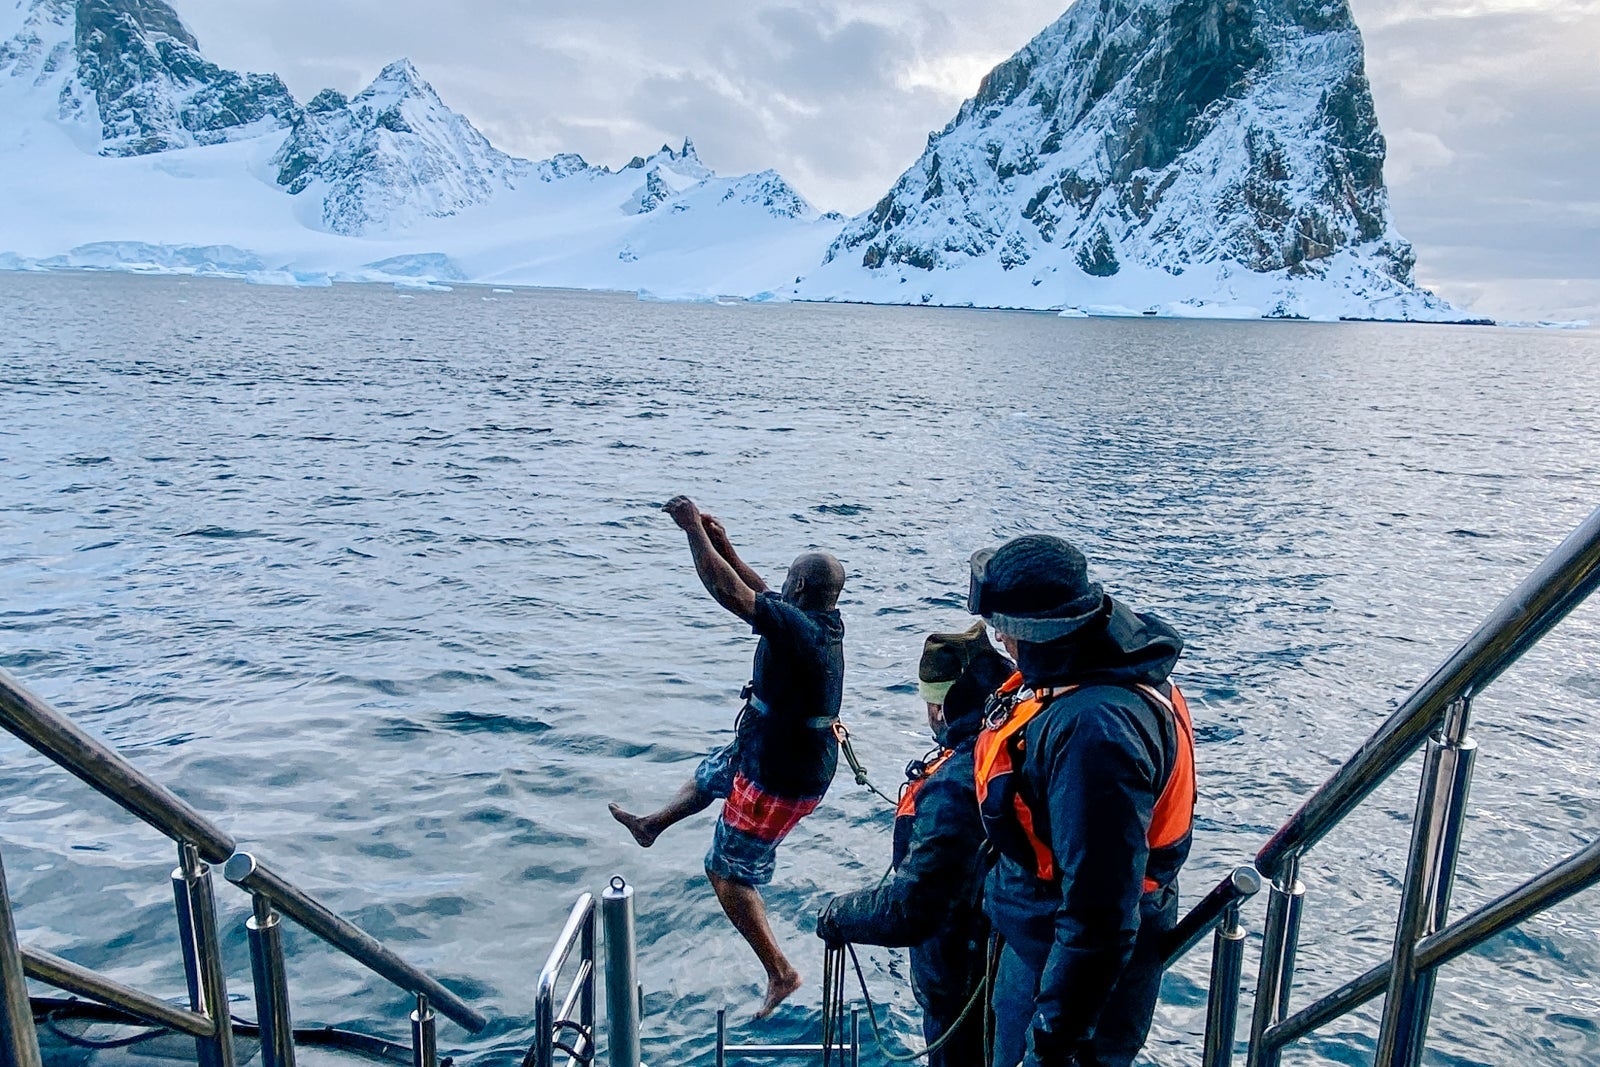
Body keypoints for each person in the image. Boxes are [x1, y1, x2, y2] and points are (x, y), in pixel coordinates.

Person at [609, 495, 846, 1019]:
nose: (782, 585)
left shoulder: (804, 632)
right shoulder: (821, 618)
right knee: (710, 775)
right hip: (763, 746)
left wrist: (692, 530)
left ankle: (781, 972)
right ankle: (651, 825)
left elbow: (732, 594)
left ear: (802, 588)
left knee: (726, 873)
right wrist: (727, 545)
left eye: (790, 580)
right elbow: (764, 594)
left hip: (781, 775)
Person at [968, 535, 1195, 1067]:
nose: (999, 639)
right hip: (1040, 935)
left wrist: (1054, 1037)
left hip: (1070, 968)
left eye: (1004, 629)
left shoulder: (1094, 734)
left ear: (1033, 632)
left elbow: (1100, 912)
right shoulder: (1101, 666)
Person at [814, 622, 1012, 1067]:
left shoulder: (954, 787)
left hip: (966, 990)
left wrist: (837, 916)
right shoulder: (1011, 733)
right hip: (1007, 968)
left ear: (941, 707)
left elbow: (913, 908)